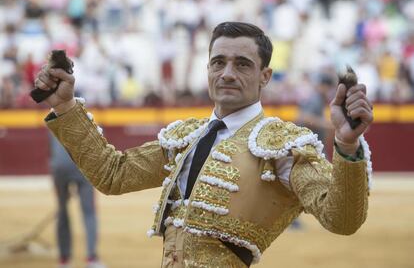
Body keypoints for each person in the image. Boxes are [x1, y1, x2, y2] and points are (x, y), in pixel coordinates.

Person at [34, 22, 373, 268]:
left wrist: (345, 145)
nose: (227, 73)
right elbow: (113, 174)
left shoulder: (282, 146)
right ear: (207, 69)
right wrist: (65, 107)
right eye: (218, 62)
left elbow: (341, 219)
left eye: (242, 64)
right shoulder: (187, 137)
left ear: (265, 76)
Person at [49, 134, 105, 268]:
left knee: (62, 212)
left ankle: (64, 260)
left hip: (60, 168)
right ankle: (91, 258)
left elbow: (51, 150)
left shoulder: (52, 116)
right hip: (83, 166)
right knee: (89, 212)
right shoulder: (85, 115)